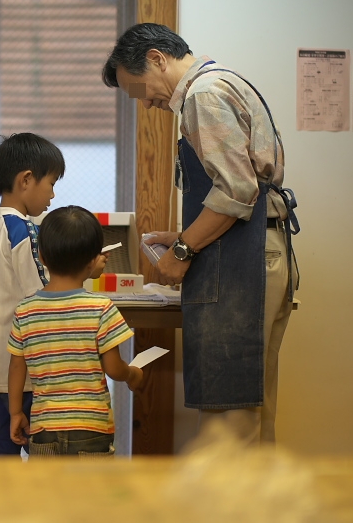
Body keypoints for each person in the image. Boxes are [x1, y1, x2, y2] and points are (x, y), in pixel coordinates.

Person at [102, 23, 299, 444]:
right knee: (251, 400)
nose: (146, 103)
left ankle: (220, 508)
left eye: (138, 89)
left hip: (246, 259)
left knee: (229, 405)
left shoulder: (203, 95)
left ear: (157, 58)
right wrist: (182, 234)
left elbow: (236, 189)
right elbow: (244, 190)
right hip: (258, 247)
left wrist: (184, 249)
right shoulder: (226, 82)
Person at [7, 205, 143, 457]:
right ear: (94, 260)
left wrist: (16, 413)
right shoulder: (101, 308)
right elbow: (114, 369)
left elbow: (16, 367)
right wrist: (133, 375)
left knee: (48, 496)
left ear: (42, 257)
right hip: (91, 429)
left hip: (43, 430)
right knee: (89, 496)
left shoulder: (25, 310)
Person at [0, 132, 65, 457]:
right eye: (50, 183)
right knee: (43, 453)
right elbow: (40, 295)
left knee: (1, 450)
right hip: (19, 372)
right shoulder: (23, 230)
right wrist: (80, 273)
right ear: (26, 180)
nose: (52, 195)